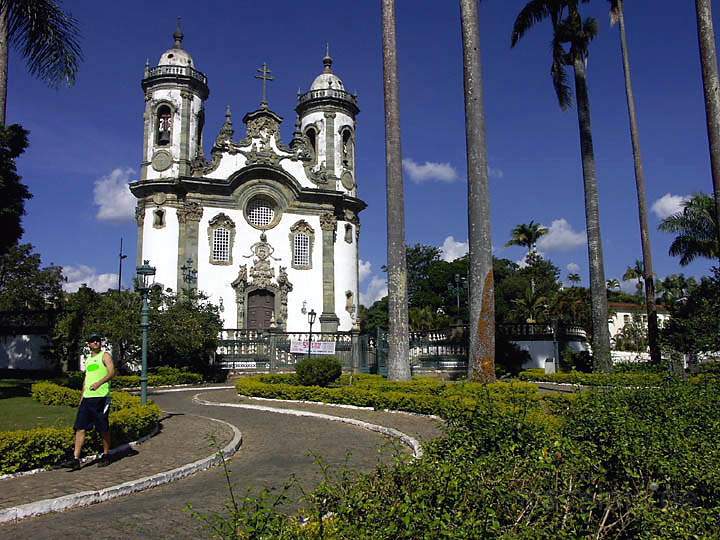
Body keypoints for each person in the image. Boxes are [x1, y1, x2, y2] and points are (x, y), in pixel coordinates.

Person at [63, 333, 116, 470]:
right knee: (80, 427)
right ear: (88, 344)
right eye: (93, 341)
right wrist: (82, 397)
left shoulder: (105, 356)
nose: (96, 343)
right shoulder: (88, 360)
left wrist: (99, 383)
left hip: (101, 397)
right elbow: (86, 380)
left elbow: (111, 373)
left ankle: (106, 454)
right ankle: (76, 459)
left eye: (98, 340)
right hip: (87, 398)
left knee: (102, 428)